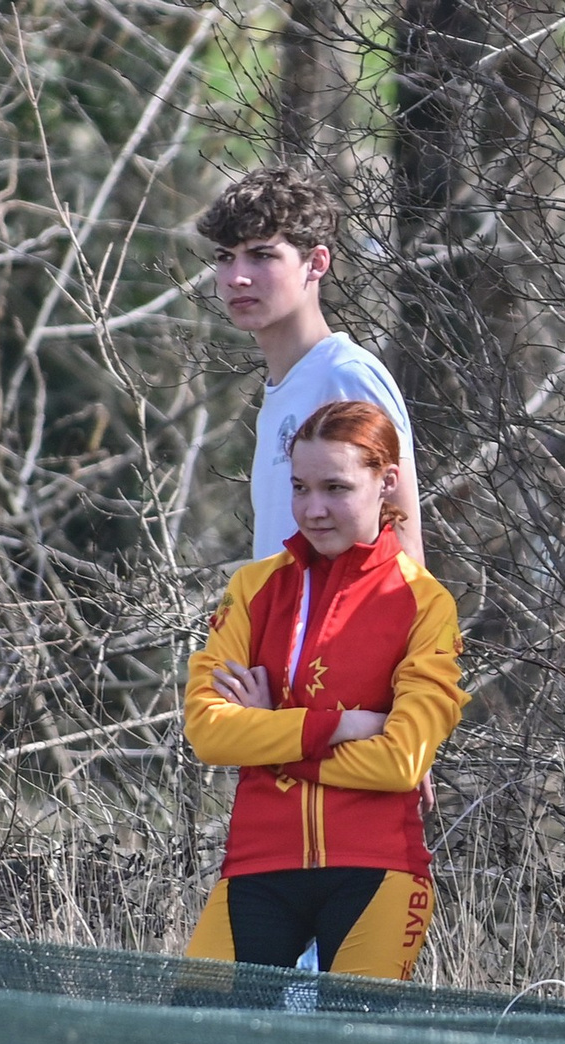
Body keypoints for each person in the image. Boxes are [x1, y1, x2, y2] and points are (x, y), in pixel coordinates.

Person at [182, 401, 466, 979]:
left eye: (336, 487)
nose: (313, 510)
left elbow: (400, 763)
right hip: (258, 864)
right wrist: (336, 725)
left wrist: (272, 737)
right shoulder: (253, 587)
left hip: (379, 868)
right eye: (299, 487)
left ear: (387, 482)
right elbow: (208, 733)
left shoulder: (425, 602)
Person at [198, 166, 426, 568]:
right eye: (225, 258)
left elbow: (404, 553)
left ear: (317, 263)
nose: (237, 277)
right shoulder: (282, 387)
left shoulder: (345, 377)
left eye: (261, 255)